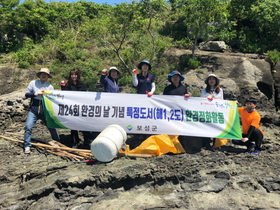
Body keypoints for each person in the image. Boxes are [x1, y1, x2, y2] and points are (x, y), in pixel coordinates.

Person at [23, 68, 60, 154]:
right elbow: (26, 94)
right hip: (34, 108)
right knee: (28, 127)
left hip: (45, 109)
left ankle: (58, 143)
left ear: (48, 77)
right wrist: (34, 94)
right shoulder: (33, 83)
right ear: (39, 75)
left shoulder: (50, 87)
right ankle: (27, 145)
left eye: (45, 74)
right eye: (42, 74)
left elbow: (53, 99)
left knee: (52, 127)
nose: (44, 75)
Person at [61, 69, 91, 149]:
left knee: (84, 125)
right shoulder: (68, 85)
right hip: (72, 109)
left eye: (75, 74)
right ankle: (75, 142)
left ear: (78, 75)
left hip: (81, 108)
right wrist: (63, 86)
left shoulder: (82, 85)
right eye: (72, 75)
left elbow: (84, 96)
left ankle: (86, 141)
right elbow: (65, 95)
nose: (73, 76)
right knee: (73, 126)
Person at [200, 74, 224, 150]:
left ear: (216, 81)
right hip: (207, 111)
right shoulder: (204, 91)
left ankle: (215, 145)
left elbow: (222, 100)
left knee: (216, 128)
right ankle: (205, 144)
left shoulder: (220, 90)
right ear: (207, 81)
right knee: (206, 128)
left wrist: (214, 98)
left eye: (213, 79)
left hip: (216, 111)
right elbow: (200, 101)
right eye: (210, 79)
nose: (211, 80)